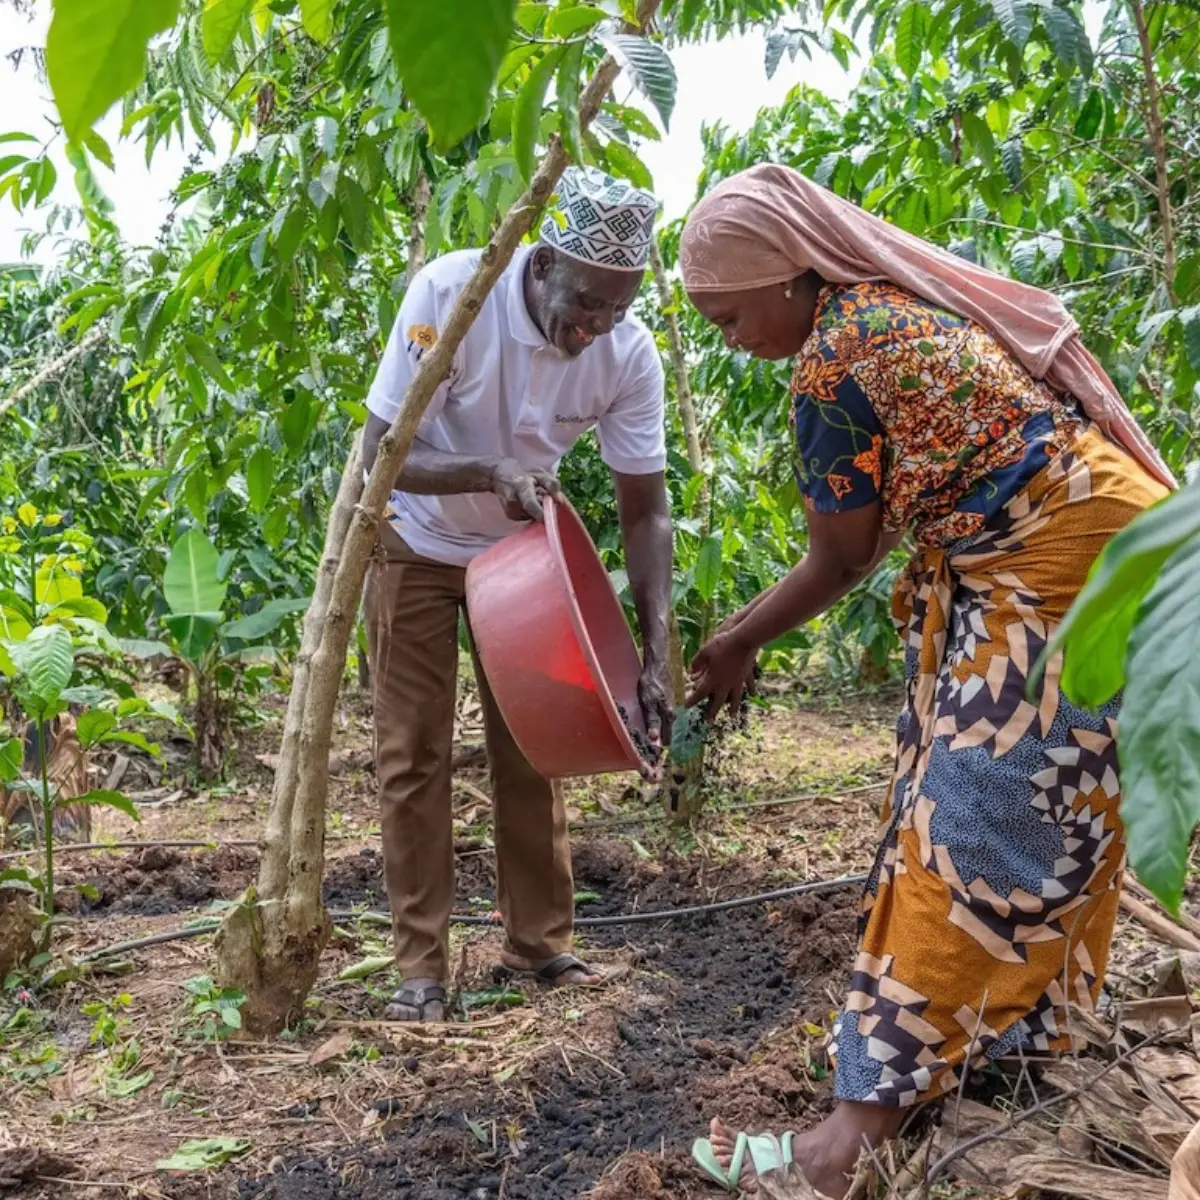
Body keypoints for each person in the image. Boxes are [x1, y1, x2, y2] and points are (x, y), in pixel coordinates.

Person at [680, 164, 1174, 1197]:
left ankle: (849, 1138)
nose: (732, 339)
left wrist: (732, 642)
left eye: (727, 317)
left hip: (1064, 563)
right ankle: (1020, 1049)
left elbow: (842, 556)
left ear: (784, 278)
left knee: (967, 823)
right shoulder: (885, 312)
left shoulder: (831, 364)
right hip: (1110, 544)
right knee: (1059, 806)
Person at [360, 168, 674, 1023]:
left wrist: (657, 656)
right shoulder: (453, 293)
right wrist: (485, 472)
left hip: (524, 563)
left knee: (537, 747)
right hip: (415, 541)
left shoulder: (625, 350)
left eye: (615, 309)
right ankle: (420, 967)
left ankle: (539, 945)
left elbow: (644, 512)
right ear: (540, 266)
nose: (595, 327)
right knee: (413, 752)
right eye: (584, 304)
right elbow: (379, 453)